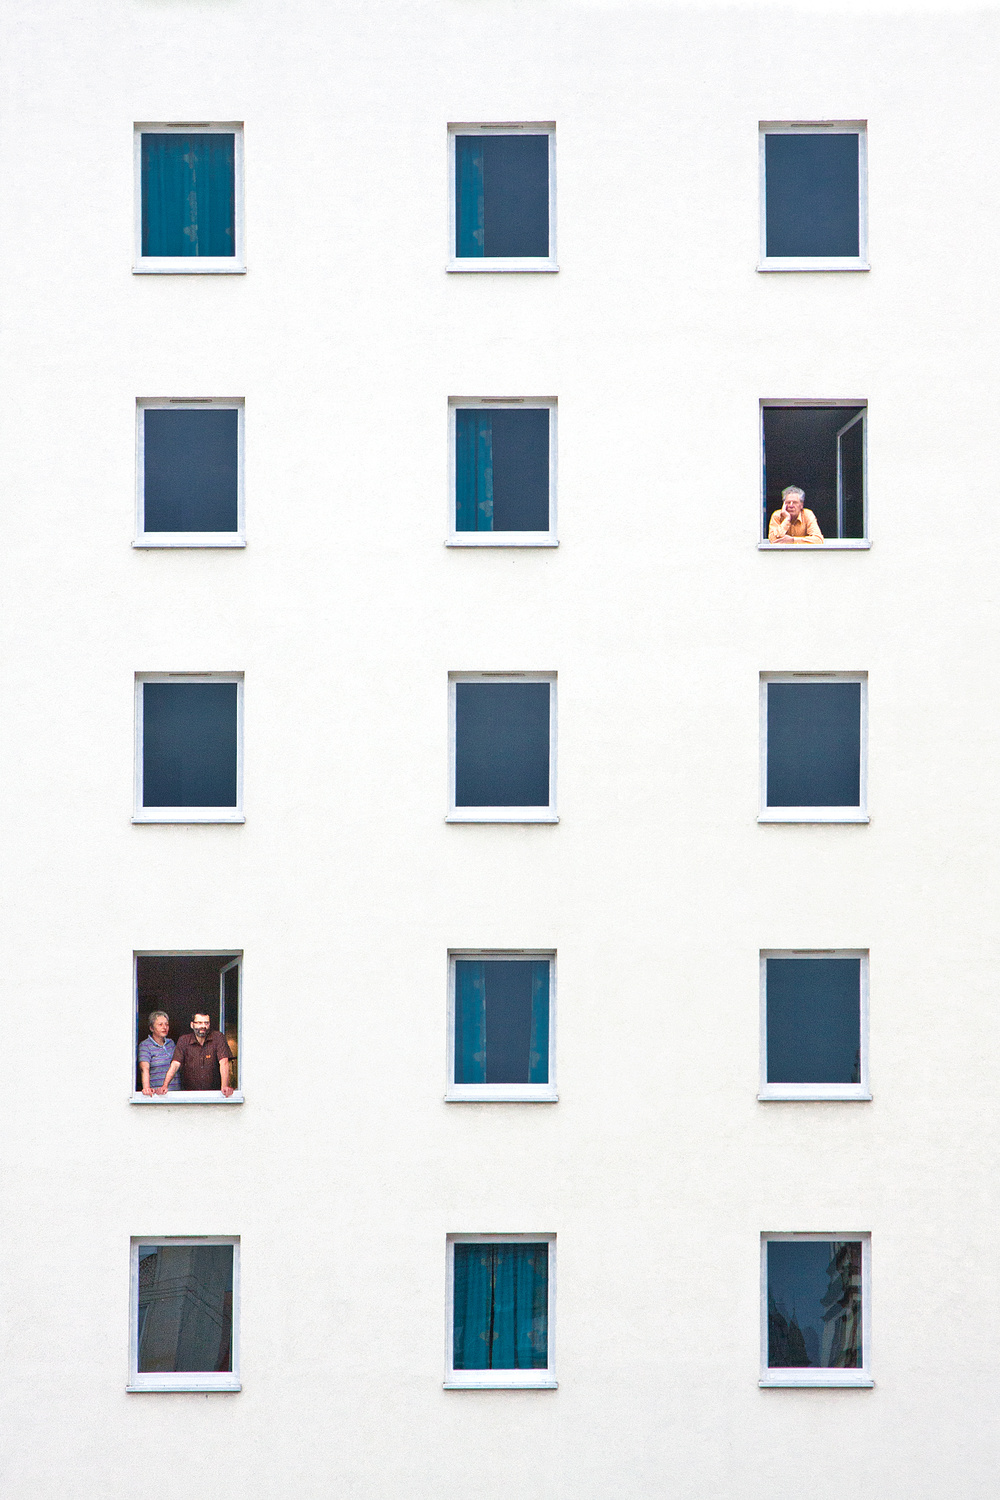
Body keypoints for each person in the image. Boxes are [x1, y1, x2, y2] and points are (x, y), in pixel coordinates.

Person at [162, 1013, 234, 1096]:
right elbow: (175, 1064)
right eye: (199, 1023)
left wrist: (224, 1086)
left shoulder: (218, 1037)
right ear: (192, 1025)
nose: (203, 1026)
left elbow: (224, 1062)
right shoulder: (184, 1040)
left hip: (215, 1094)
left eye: (206, 1023)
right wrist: (165, 1085)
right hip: (189, 1095)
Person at [138, 1010, 180, 1096]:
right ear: (151, 1028)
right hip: (157, 1094)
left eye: (167, 1024)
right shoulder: (145, 1045)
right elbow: (144, 1068)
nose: (164, 1027)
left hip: (175, 1093)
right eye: (160, 1024)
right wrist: (146, 1088)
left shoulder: (171, 1043)